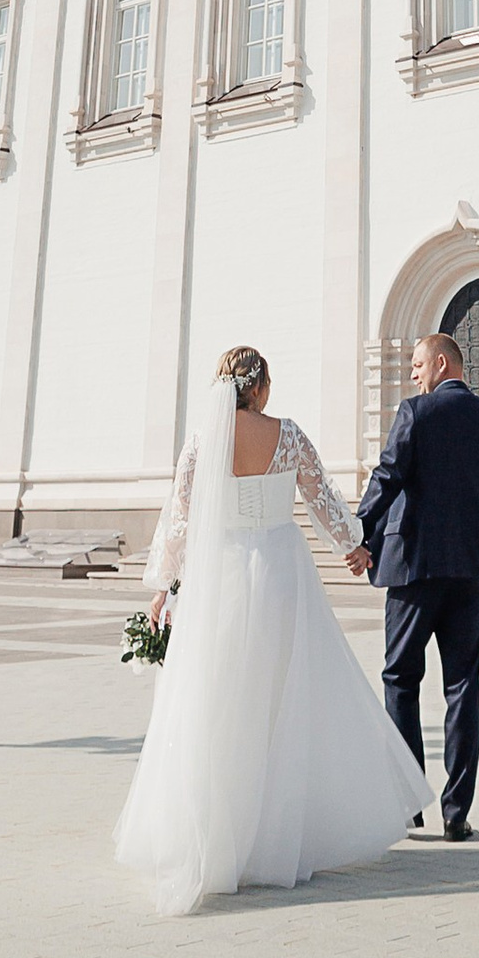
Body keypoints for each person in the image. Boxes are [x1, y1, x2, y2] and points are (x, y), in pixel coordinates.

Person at [114, 344, 429, 917]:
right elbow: (322, 498)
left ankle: (220, 839)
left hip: (221, 575)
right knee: (284, 701)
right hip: (282, 571)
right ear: (260, 386)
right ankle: (275, 841)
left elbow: (178, 514)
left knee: (219, 702)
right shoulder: (287, 434)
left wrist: (164, 584)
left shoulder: (204, 440)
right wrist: (354, 546)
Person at [357, 329, 479, 842]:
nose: (413, 373)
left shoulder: (417, 412)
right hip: (468, 576)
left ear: (440, 363)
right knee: (462, 687)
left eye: (417, 364)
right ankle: (457, 813)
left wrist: (358, 534)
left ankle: (410, 803)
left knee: (400, 680)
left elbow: (386, 478)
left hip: (412, 570)